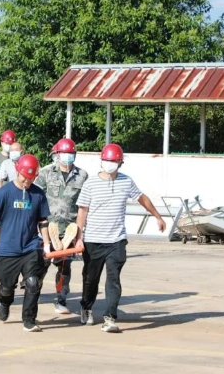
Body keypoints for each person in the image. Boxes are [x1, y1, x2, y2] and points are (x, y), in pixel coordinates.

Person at [75, 143, 166, 333]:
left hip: (116, 240)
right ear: (101, 161)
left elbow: (141, 197)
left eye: (114, 161)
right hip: (93, 240)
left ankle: (110, 318)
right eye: (107, 160)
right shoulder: (90, 183)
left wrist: (157, 216)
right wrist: (78, 237)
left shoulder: (126, 181)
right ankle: (86, 307)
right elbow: (82, 211)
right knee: (90, 279)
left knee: (113, 280)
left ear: (120, 163)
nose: (110, 164)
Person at [0, 154, 51, 332]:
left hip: (30, 247)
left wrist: (46, 243)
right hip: (7, 249)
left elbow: (43, 221)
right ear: (17, 172)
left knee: (33, 282)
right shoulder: (5, 192)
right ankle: (5, 302)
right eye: (25, 177)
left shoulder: (38, 194)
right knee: (7, 288)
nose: (27, 181)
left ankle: (29, 320)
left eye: (31, 178)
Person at [35, 138, 88, 314]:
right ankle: (34, 294)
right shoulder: (46, 173)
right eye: (64, 153)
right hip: (47, 228)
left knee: (64, 267)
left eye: (70, 153)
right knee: (41, 265)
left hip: (69, 231)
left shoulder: (82, 176)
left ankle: (61, 299)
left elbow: (85, 205)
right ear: (57, 154)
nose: (67, 156)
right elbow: (35, 198)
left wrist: (80, 234)